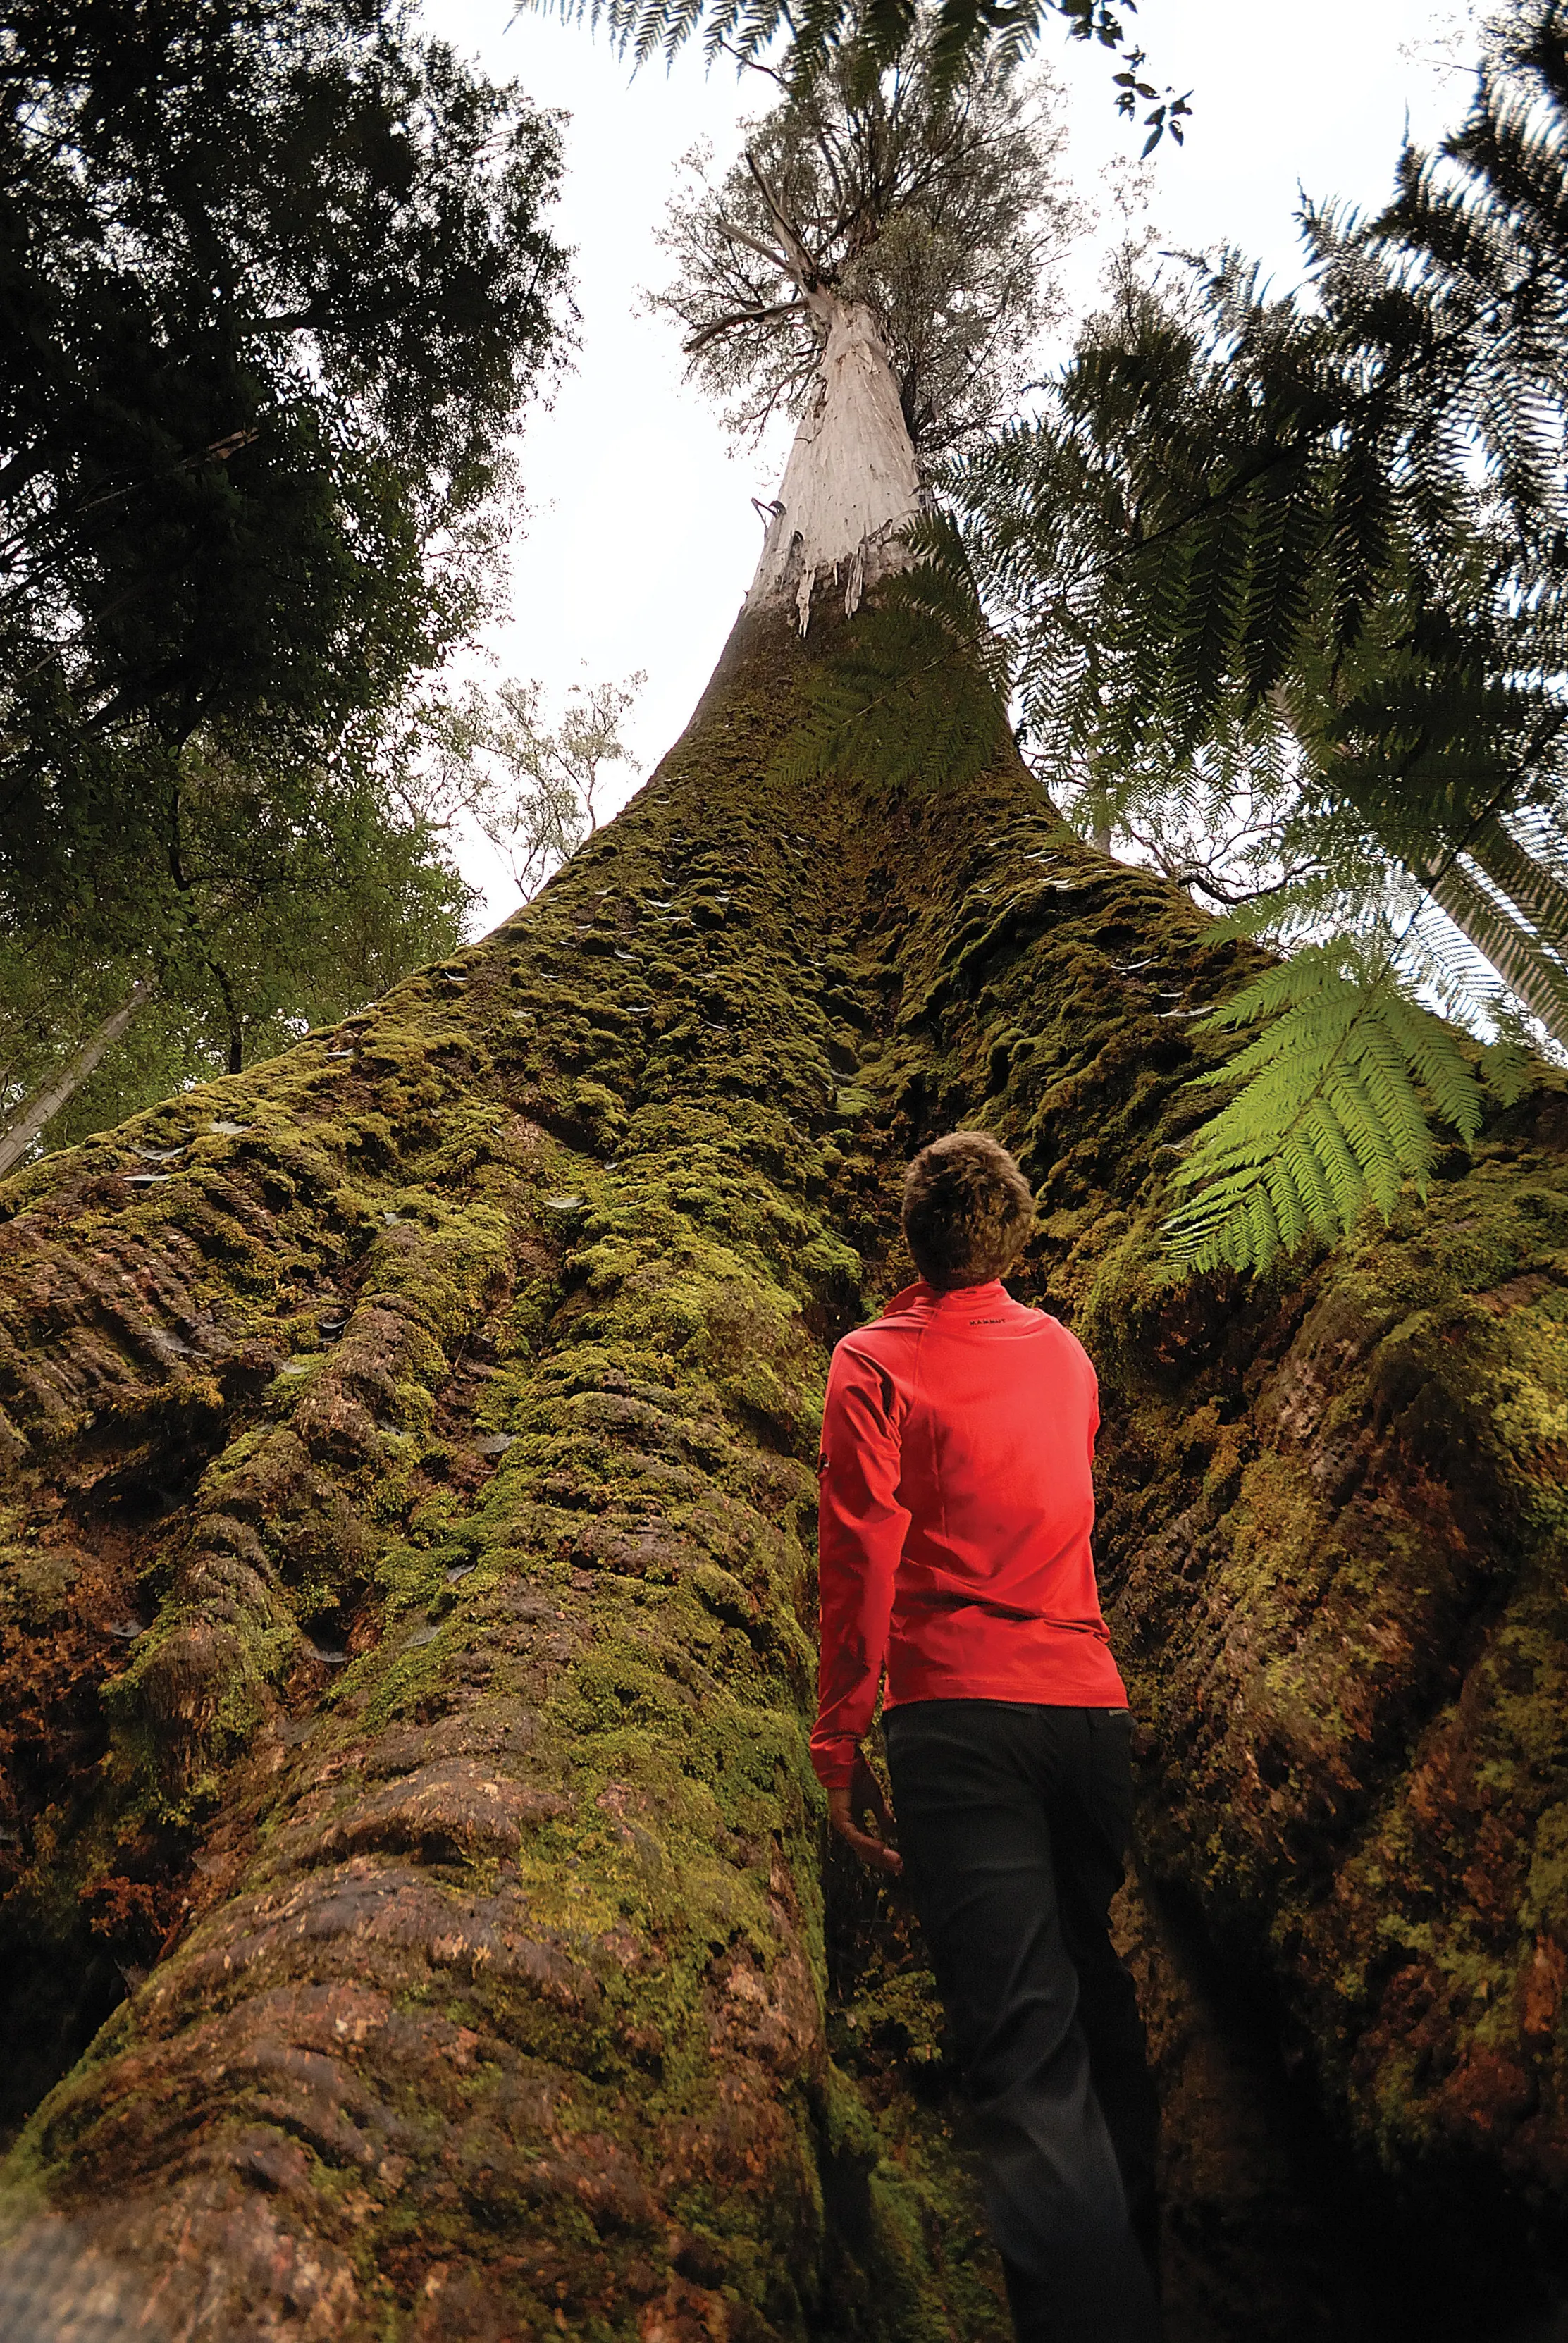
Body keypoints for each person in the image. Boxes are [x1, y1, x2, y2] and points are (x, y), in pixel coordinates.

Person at [810, 1130, 1162, 2343]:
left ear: (907, 1236)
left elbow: (861, 1559)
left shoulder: (873, 1361)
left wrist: (836, 1747)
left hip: (962, 1722)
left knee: (1022, 2045)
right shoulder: (1066, 1356)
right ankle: (1142, 2287)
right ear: (1016, 1235)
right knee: (1094, 1994)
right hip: (1089, 1714)